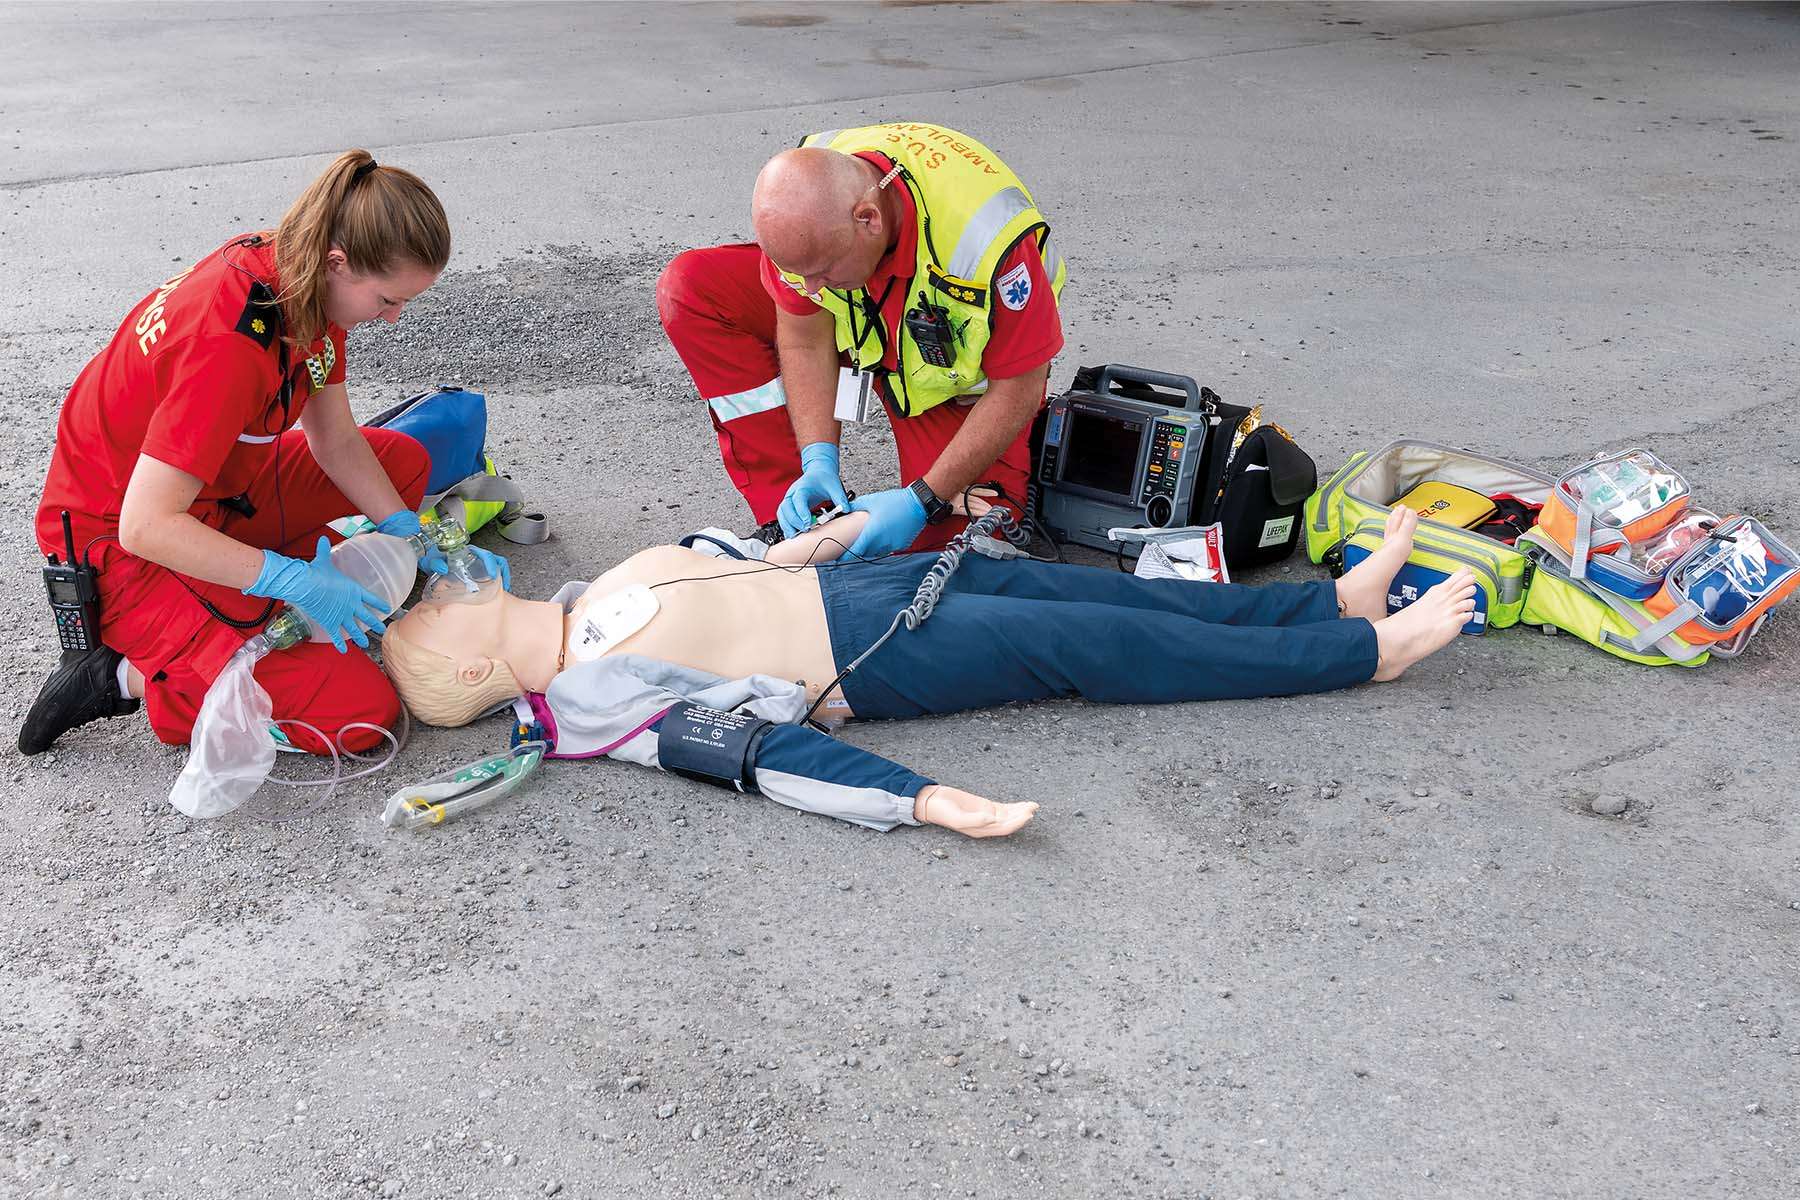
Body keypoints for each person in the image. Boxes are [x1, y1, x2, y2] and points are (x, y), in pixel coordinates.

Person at [379, 507, 1476, 837]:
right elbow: (758, 755)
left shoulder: (592, 594)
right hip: (878, 655)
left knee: (1103, 597)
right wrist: (918, 799)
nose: (439, 587)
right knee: (1102, 647)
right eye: (430, 612)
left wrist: (846, 528)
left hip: (872, 585)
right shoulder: (590, 705)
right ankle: (1361, 654)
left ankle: (1325, 604)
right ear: (474, 663)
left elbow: (745, 564)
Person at [19, 149, 505, 758]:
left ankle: (247, 593)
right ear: (338, 262)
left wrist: (410, 530)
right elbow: (145, 525)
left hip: (211, 487)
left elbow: (336, 440)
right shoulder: (227, 346)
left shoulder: (303, 277)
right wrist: (288, 579)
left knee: (402, 465)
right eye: (387, 300)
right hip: (124, 542)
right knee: (361, 715)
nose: (393, 318)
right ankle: (130, 678)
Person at [657, 122, 1066, 559]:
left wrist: (924, 498)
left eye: (821, 271)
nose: (810, 289)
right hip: (864, 320)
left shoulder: (986, 241)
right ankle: (800, 521)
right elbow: (804, 339)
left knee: (960, 550)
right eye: (799, 273)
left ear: (869, 219)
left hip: (951, 382)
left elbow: (1018, 389)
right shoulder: (811, 220)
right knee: (691, 288)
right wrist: (817, 457)